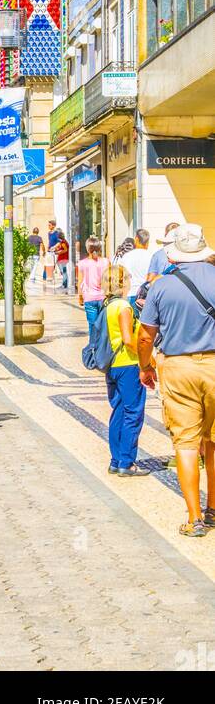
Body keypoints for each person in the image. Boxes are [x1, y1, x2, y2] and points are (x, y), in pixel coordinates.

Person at [138, 224, 215, 537]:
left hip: (178, 368)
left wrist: (145, 367)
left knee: (186, 444)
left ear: (175, 254)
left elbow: (145, 336)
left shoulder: (162, 286)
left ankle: (194, 518)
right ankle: (213, 509)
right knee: (213, 441)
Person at [100, 264, 149, 478]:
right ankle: (127, 463)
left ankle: (115, 459)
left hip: (112, 365)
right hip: (128, 363)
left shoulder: (107, 305)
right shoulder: (123, 307)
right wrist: (148, 361)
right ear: (122, 283)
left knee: (118, 412)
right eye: (128, 279)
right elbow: (129, 339)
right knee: (133, 412)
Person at [114, 228, 156, 308]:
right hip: (147, 295)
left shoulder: (127, 257)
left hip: (130, 293)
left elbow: (120, 276)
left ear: (136, 239)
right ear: (147, 242)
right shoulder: (152, 256)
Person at [77, 237, 108, 341]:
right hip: (104, 299)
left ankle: (93, 351)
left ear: (87, 249)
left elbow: (80, 282)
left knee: (93, 327)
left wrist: (80, 297)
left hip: (89, 298)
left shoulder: (82, 264)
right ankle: (102, 351)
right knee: (104, 327)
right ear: (99, 248)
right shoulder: (106, 262)